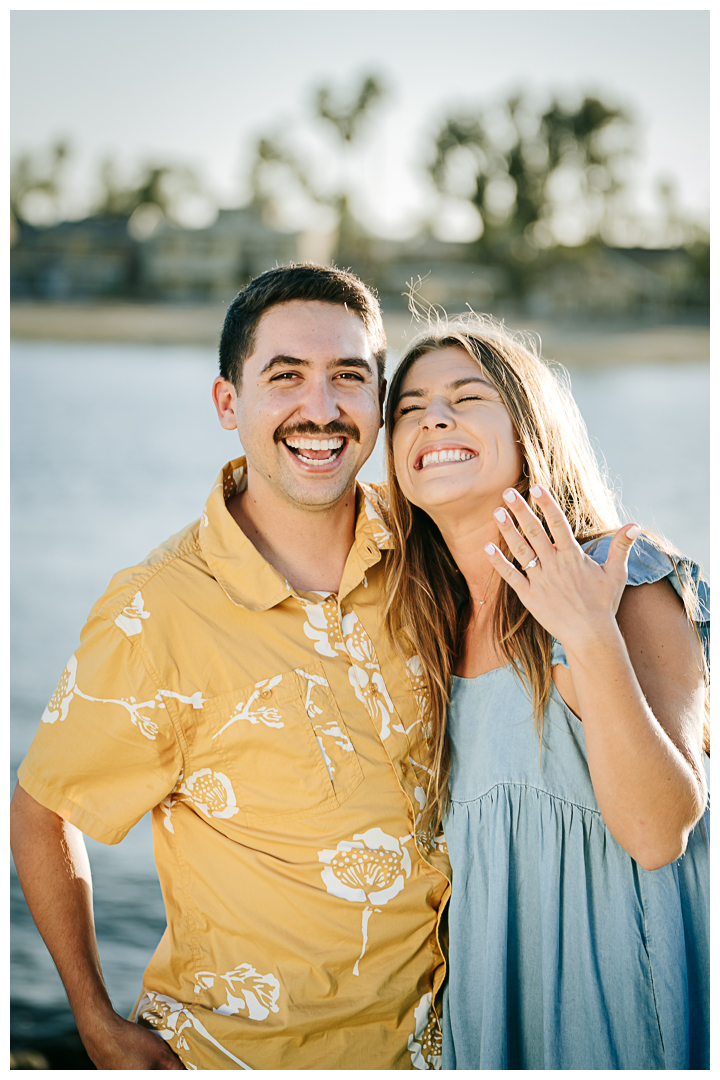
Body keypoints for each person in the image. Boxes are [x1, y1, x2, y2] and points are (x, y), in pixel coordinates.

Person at [10, 265, 450, 1071]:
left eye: (348, 378)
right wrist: (95, 1020)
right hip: (242, 1054)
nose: (320, 410)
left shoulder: (430, 546)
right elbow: (43, 809)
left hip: (449, 1048)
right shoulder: (155, 612)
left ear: (380, 402)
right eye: (285, 378)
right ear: (228, 403)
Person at [382, 314, 709, 1070]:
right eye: (410, 407)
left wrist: (589, 634)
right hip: (493, 1015)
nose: (434, 416)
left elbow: (660, 832)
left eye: (468, 397)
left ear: (531, 429)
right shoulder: (426, 624)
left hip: (617, 1011)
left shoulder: (622, 575)